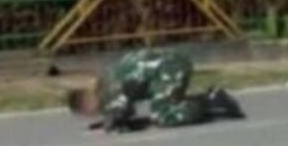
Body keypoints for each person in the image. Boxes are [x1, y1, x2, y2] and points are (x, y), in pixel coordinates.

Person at [67, 48, 244, 132]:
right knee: (162, 103)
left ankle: (211, 102)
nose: (93, 114)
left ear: (87, 105)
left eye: (89, 112)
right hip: (163, 68)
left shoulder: (109, 91)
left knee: (163, 116)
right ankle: (197, 101)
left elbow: (122, 113)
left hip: (170, 68)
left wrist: (111, 124)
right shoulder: (104, 83)